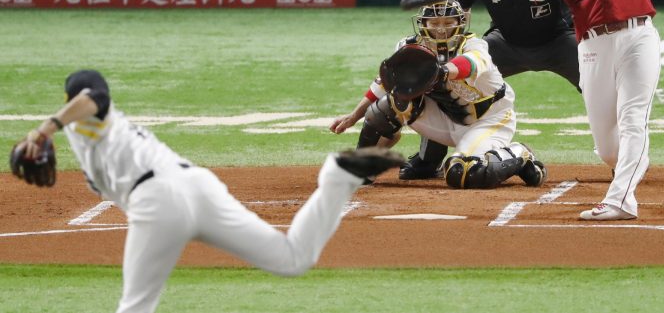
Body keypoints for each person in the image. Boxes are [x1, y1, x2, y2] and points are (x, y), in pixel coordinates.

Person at [14, 69, 404, 313]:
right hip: (197, 186)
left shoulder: (89, 120)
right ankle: (339, 177)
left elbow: (91, 97)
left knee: (134, 307)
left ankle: (340, 176)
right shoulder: (89, 151)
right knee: (292, 259)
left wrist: (45, 128)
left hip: (158, 201)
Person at [399, 0, 581, 181]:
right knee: (441, 77)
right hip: (504, 43)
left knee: (599, 85)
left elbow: (576, 0)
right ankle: (428, 160)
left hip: (557, 41)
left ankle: (621, 157)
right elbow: (454, 21)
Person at [518, 0, 661, 221]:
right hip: (593, 47)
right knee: (607, 148)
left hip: (637, 37)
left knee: (632, 119)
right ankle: (632, 158)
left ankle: (621, 200)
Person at [330, 0, 547, 189]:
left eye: (448, 23)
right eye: (434, 24)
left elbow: (471, 64)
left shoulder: (473, 44)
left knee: (463, 173)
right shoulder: (410, 47)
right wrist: (353, 116)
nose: (441, 30)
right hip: (444, 117)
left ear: (459, 24)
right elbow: (384, 84)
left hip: (488, 120)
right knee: (391, 104)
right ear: (423, 25)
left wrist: (442, 71)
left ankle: (519, 154)